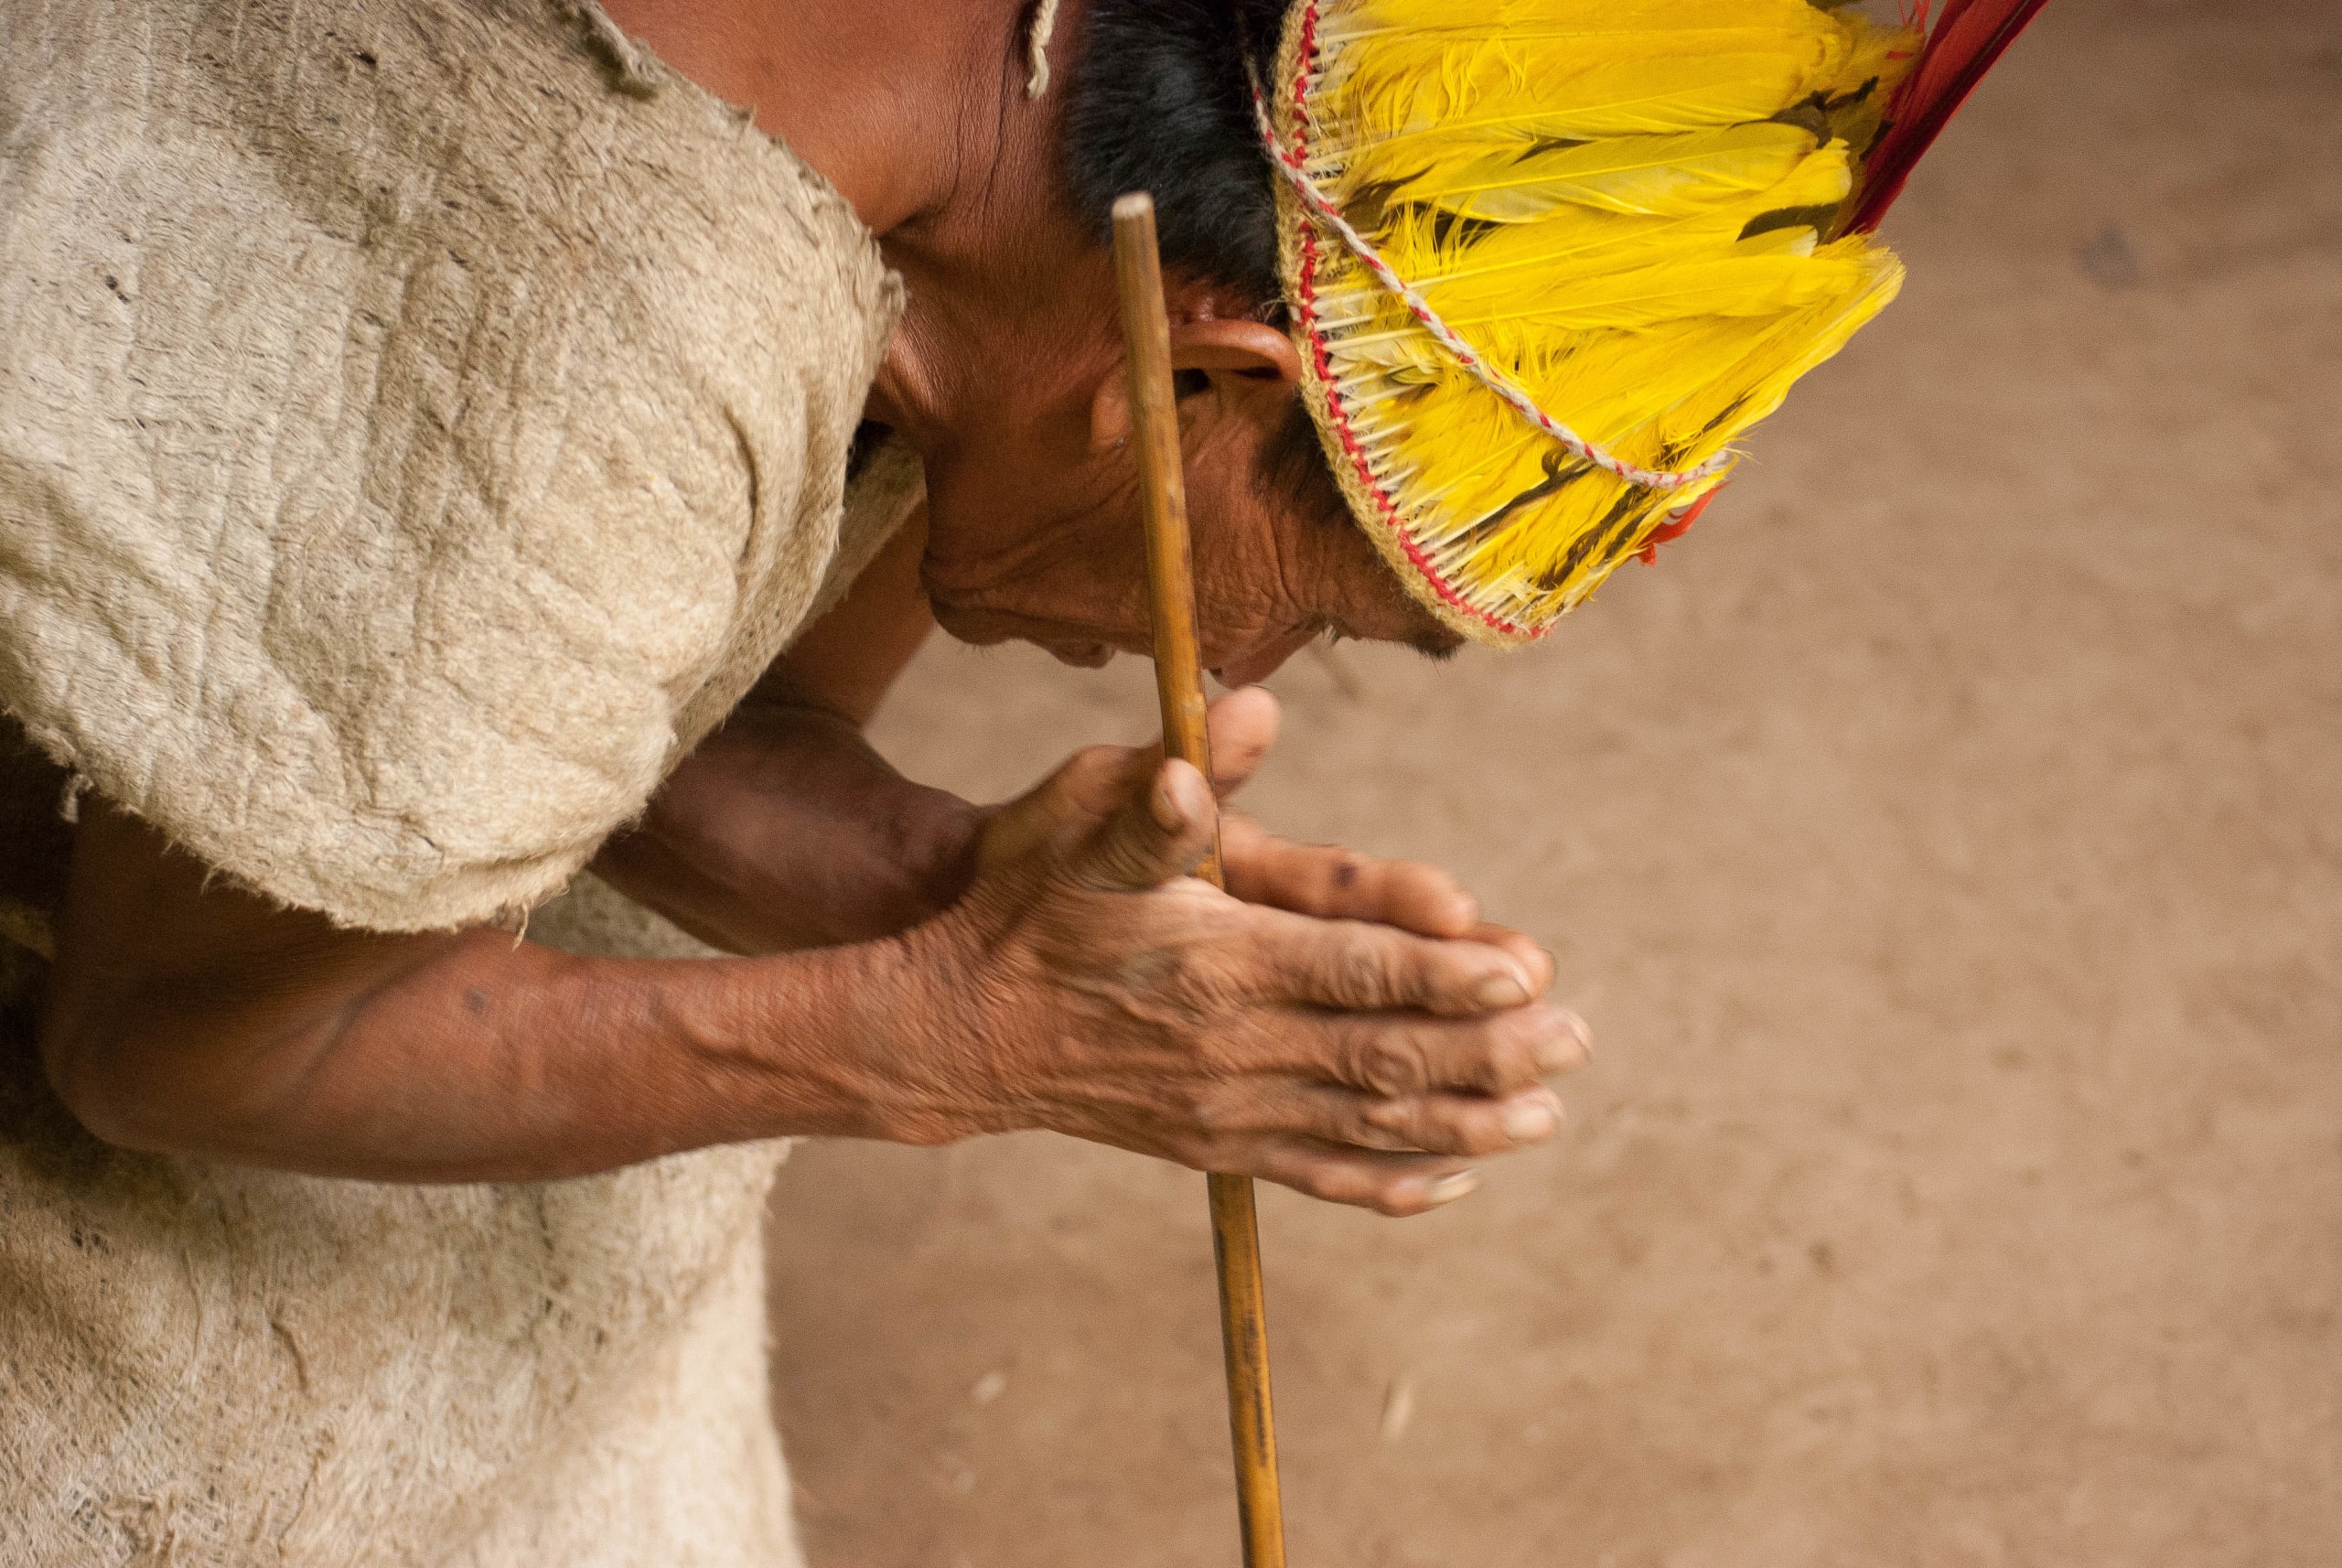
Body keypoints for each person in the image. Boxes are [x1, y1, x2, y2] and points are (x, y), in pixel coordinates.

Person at [0, 0, 2033, 1560]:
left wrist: (964, 890)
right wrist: (943, 1045)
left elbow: (678, 723)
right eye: (1311, 606)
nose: (1235, 670)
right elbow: (179, 1039)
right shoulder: (603, 309)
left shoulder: (1022, 195)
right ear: (1202, 381)